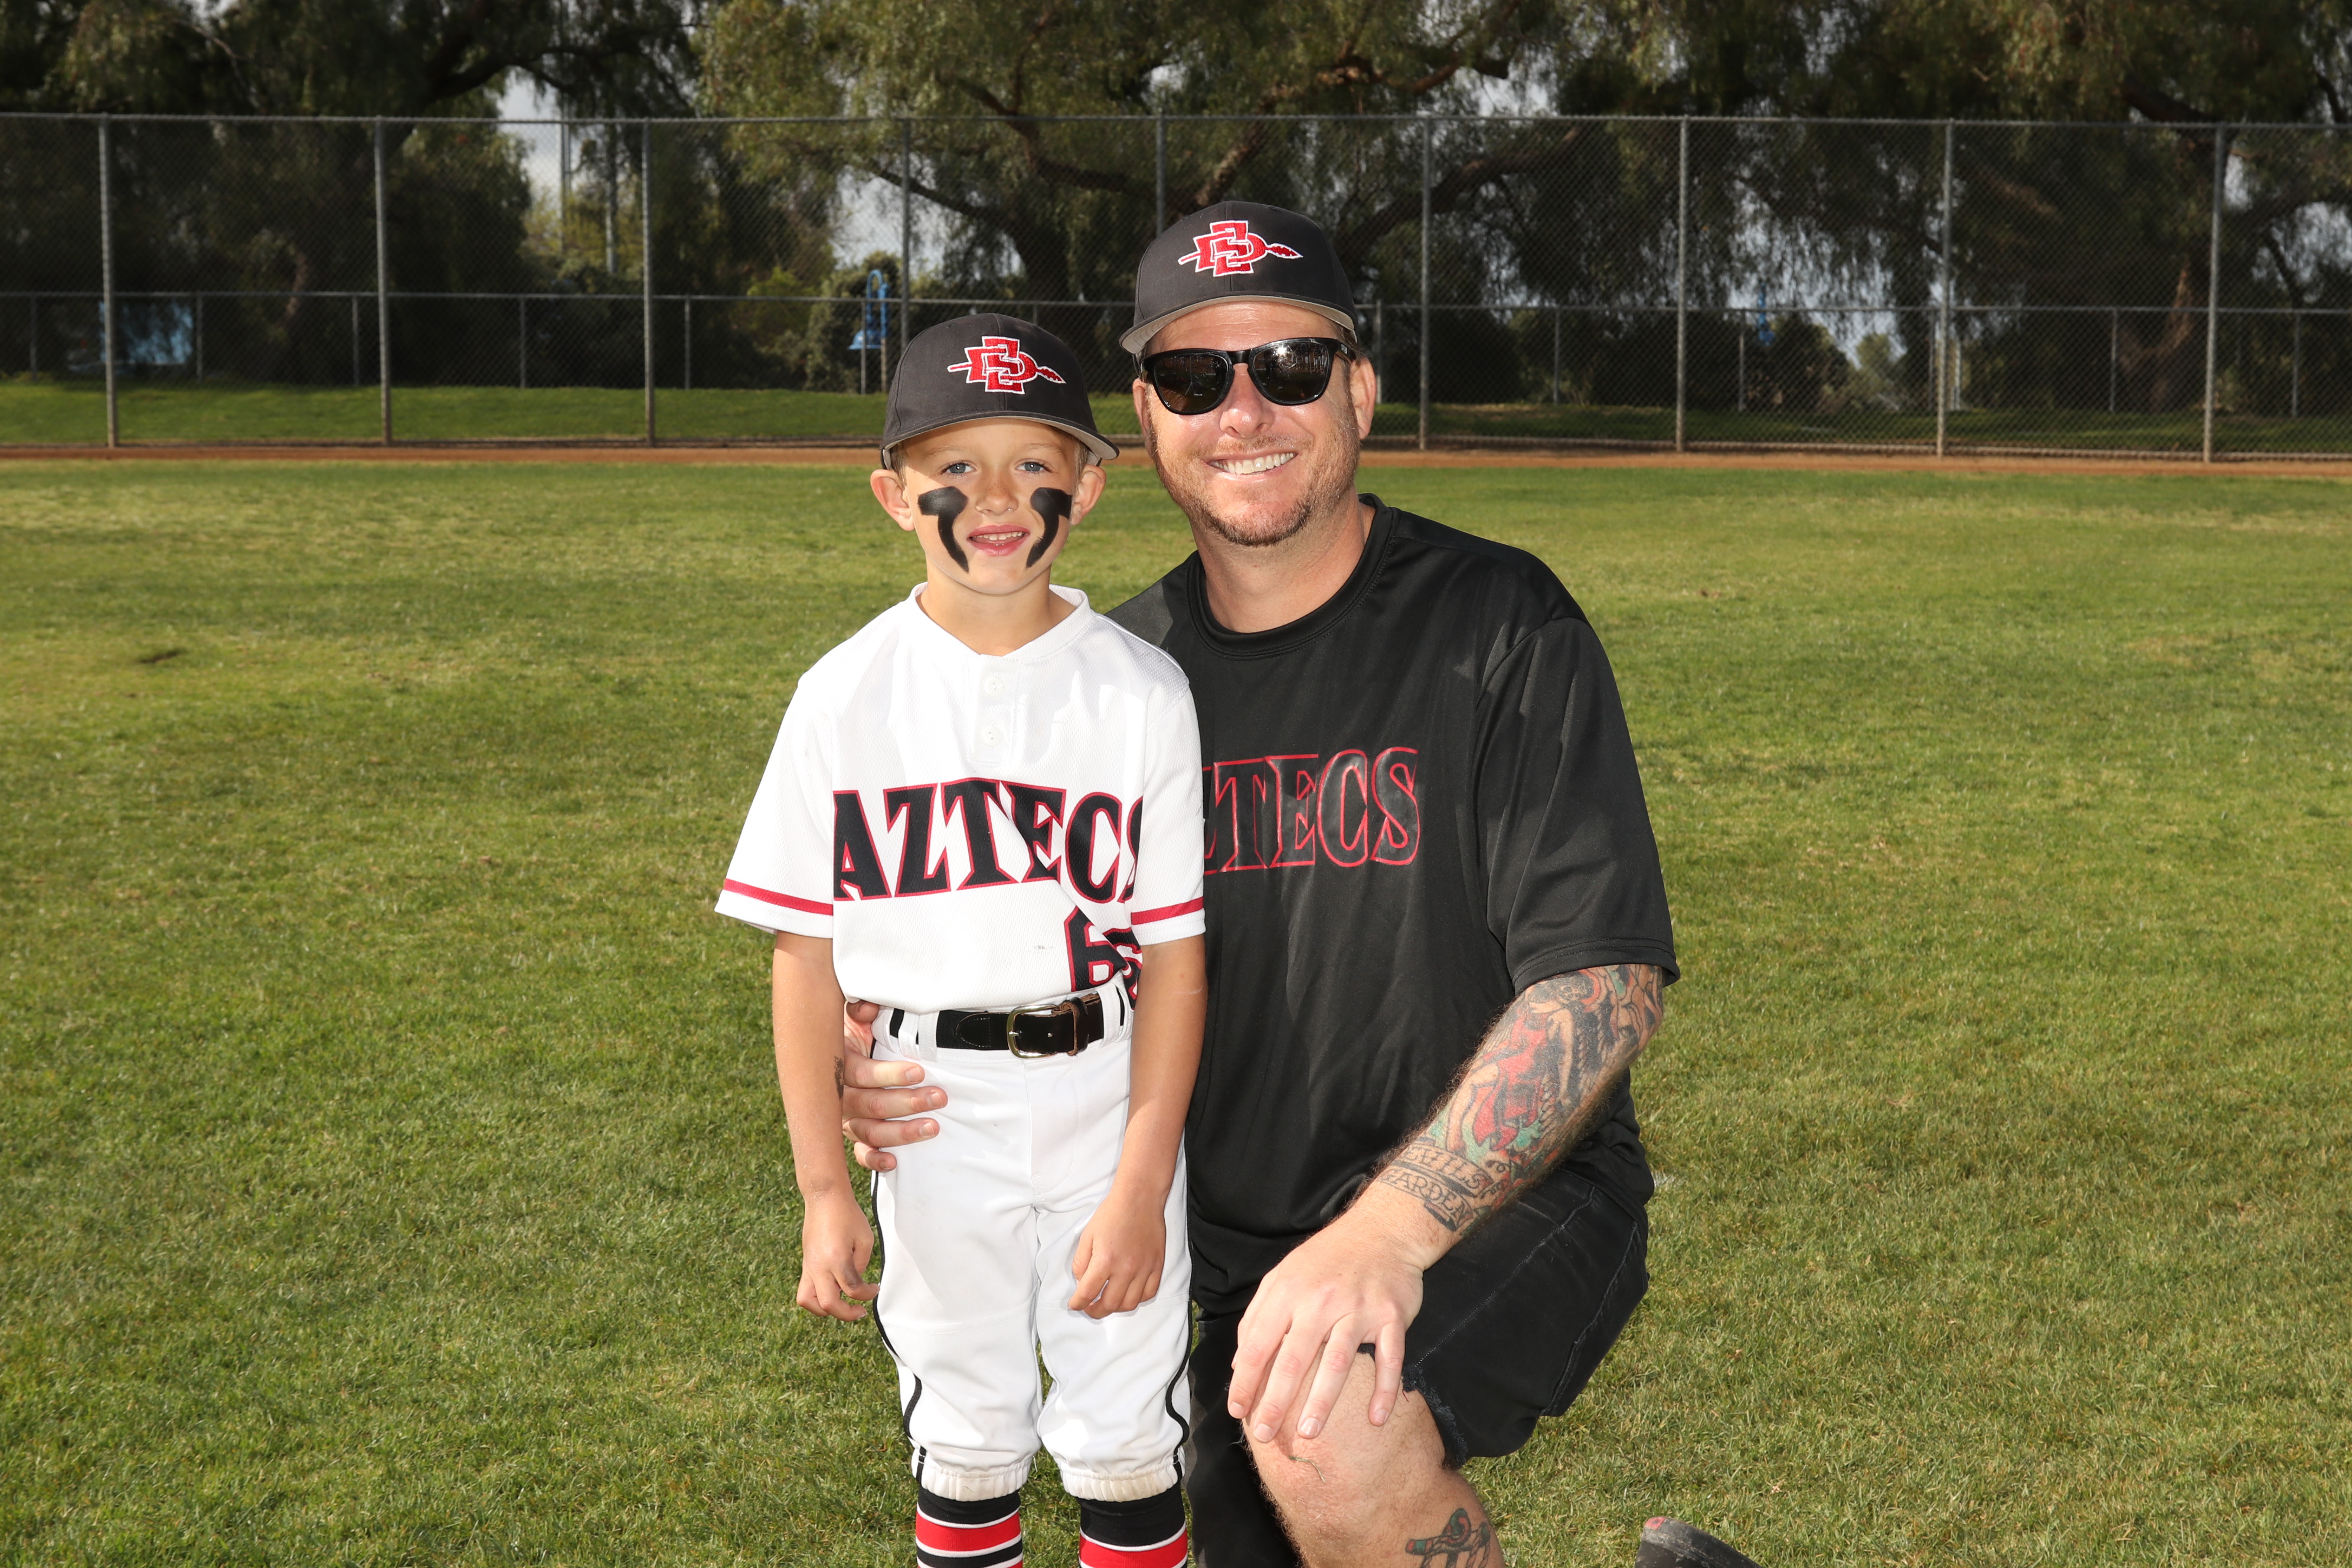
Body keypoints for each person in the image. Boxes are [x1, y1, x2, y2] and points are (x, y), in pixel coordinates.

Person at [845, 209, 1677, 1567]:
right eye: (1193, 377)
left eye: (1290, 365)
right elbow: (998, 951)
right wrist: (881, 1052)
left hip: (1505, 1197)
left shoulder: (1499, 623)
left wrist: (1387, 1234)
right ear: (1145, 419)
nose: (1242, 411)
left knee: (1328, 1425)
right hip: (1223, 1241)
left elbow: (1605, 982)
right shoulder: (1103, 685)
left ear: (1360, 389)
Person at [716, 315, 1207, 1568]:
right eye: (956, 467)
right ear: (895, 495)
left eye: (1034, 464)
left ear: (1086, 488)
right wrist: (824, 1189)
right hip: (930, 1108)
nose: (995, 498)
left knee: (1128, 1434)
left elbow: (1176, 960)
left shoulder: (1142, 692)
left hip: (1108, 1089)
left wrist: (1143, 1179)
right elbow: (803, 956)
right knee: (967, 1434)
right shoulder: (844, 694)